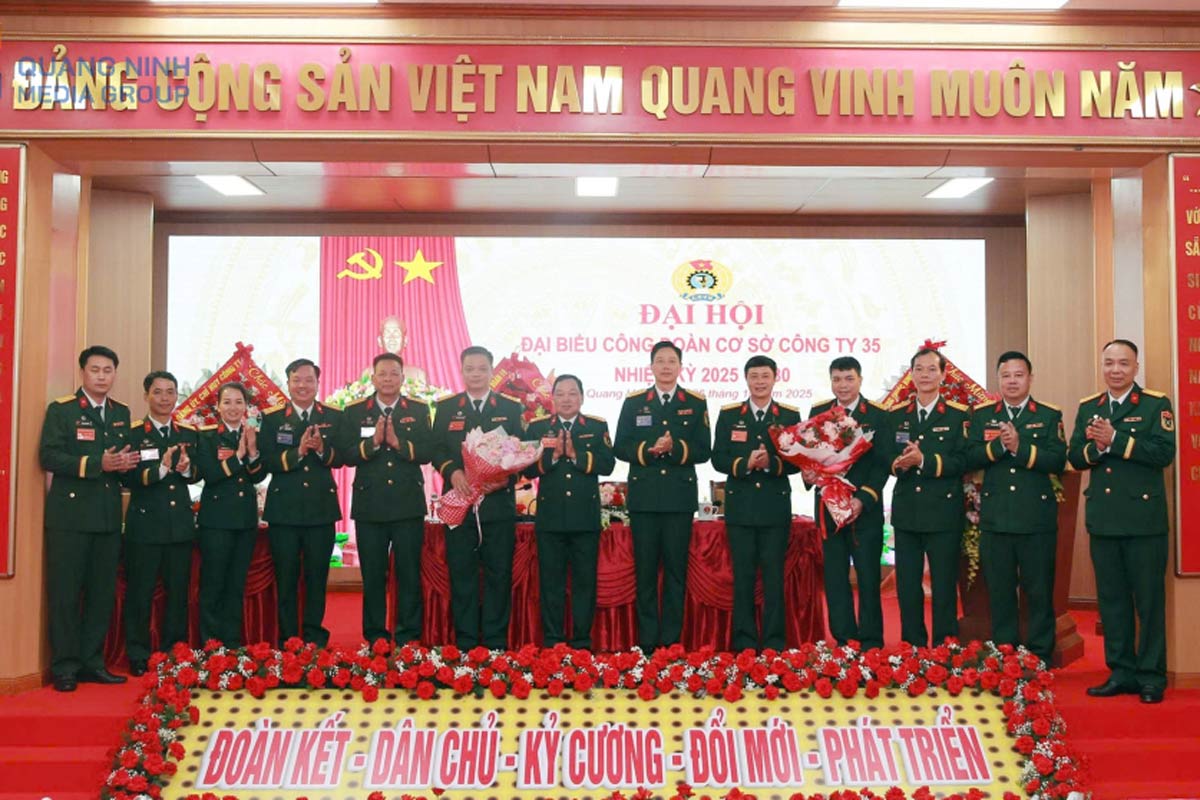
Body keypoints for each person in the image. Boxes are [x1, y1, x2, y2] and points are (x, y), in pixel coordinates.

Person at [1068, 339, 1175, 704]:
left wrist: (1116, 440)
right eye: (1109, 363)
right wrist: (1096, 448)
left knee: (1147, 602)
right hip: (1105, 520)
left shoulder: (1155, 404)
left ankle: (1151, 675)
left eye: (1123, 364)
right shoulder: (1089, 407)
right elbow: (1075, 456)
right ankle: (1121, 671)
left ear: (1135, 367)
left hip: (1144, 523)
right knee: (1112, 602)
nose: (1115, 370)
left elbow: (1163, 453)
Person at [39, 345, 135, 691]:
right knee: (65, 594)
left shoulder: (122, 413)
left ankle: (93, 662)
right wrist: (97, 464)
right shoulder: (62, 410)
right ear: (83, 372)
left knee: (100, 594)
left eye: (108, 370)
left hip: (108, 518)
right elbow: (48, 456)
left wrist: (126, 466)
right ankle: (65, 666)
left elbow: (121, 460)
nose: (101, 376)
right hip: (70, 518)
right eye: (95, 370)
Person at [964, 351, 1066, 665]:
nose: (1012, 381)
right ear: (998, 379)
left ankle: (1039, 654)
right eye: (1006, 375)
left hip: (1036, 519)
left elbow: (1058, 461)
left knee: (1038, 591)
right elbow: (968, 457)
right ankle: (1005, 653)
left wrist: (1021, 448)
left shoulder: (1049, 415)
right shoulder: (982, 415)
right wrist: (998, 447)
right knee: (1001, 591)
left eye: (1018, 375)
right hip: (996, 518)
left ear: (1030, 378)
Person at [614, 340, 712, 651]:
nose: (666, 366)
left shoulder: (695, 403)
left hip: (678, 502)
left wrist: (676, 449)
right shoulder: (634, 403)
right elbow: (620, 446)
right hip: (643, 501)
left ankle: (670, 643)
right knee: (644, 576)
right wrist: (648, 449)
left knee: (675, 575)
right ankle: (646, 644)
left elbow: (703, 449)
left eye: (672, 361)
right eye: (660, 361)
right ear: (652, 366)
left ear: (680, 366)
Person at [431, 346, 525, 649]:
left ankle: (496, 644)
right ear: (462, 370)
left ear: (491, 370)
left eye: (482, 368)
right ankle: (467, 643)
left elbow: (520, 454)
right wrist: (453, 473)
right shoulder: (447, 408)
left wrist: (502, 479)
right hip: (460, 505)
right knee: (462, 576)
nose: (476, 374)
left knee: (499, 576)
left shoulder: (510, 408)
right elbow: (437, 450)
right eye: (470, 369)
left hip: (497, 507)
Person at [339, 353, 434, 645]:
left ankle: (408, 637)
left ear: (403, 378)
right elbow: (346, 454)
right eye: (383, 374)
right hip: (371, 507)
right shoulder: (355, 411)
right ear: (373, 377)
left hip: (407, 505)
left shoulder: (417, 410)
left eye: (394, 374)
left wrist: (397, 443)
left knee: (408, 575)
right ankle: (376, 637)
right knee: (373, 576)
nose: (389, 379)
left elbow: (428, 452)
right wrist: (373, 444)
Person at [711, 355, 799, 651]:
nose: (760, 382)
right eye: (754, 376)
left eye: (765, 376)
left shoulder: (789, 415)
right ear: (746, 379)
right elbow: (718, 457)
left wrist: (771, 463)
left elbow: (798, 461)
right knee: (743, 580)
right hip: (741, 510)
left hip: (775, 509)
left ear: (776, 378)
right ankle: (744, 643)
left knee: (774, 581)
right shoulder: (729, 414)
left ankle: (774, 644)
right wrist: (744, 462)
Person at [523, 374, 615, 649]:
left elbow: (608, 464)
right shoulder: (538, 427)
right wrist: (552, 457)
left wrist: (575, 455)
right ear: (552, 398)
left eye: (572, 393)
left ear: (582, 397)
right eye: (560, 394)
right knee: (550, 585)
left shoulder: (597, 427)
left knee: (584, 585)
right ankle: (553, 642)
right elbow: (525, 468)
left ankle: (581, 642)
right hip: (550, 520)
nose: (566, 399)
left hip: (584, 519)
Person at [807, 356, 892, 651]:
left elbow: (882, 466)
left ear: (860, 380)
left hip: (863, 511)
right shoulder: (819, 412)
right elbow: (811, 456)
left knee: (868, 579)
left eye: (848, 379)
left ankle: (870, 643)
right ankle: (844, 641)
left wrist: (862, 499)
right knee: (834, 579)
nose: (842, 385)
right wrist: (809, 473)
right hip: (828, 509)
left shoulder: (879, 415)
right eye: (837, 379)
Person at [889, 346, 970, 648]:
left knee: (944, 584)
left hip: (943, 513)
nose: (925, 375)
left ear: (943, 374)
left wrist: (924, 461)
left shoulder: (957, 415)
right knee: (908, 586)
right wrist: (897, 464)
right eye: (919, 369)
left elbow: (963, 460)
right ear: (911, 375)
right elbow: (884, 453)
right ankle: (912, 645)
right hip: (907, 512)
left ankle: (945, 645)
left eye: (931, 369)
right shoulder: (896, 415)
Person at [259, 358, 344, 647]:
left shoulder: (333, 415)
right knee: (286, 578)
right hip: (285, 511)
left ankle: (313, 635)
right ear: (288, 383)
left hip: (321, 510)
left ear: (318, 383)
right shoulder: (271, 418)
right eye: (297, 380)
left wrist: (322, 450)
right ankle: (287, 636)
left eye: (309, 380)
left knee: (317, 577)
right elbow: (267, 460)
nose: (303, 385)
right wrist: (298, 452)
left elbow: (342, 457)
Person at [122, 371, 199, 675]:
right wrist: (161, 470)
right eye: (158, 392)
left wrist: (187, 467)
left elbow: (198, 473)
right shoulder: (133, 434)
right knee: (140, 594)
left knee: (178, 594)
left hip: (179, 526)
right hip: (145, 527)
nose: (165, 398)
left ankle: (174, 651)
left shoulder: (188, 433)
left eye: (170, 392)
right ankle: (138, 654)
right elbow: (126, 477)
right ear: (146, 396)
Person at [195, 381, 268, 647]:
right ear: (218, 407)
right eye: (227, 402)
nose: (233, 407)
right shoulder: (206, 436)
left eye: (239, 402)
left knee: (236, 586)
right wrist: (237, 456)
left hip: (245, 520)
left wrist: (252, 452)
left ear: (247, 407)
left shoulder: (252, 434)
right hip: (216, 522)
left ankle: (232, 644)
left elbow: (259, 475)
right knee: (213, 585)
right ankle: (211, 645)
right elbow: (210, 475)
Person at [377, 315, 428, 384]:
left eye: (396, 334)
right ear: (380, 341)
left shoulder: (418, 375)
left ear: (405, 341)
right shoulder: (369, 374)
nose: (392, 338)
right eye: (387, 334)